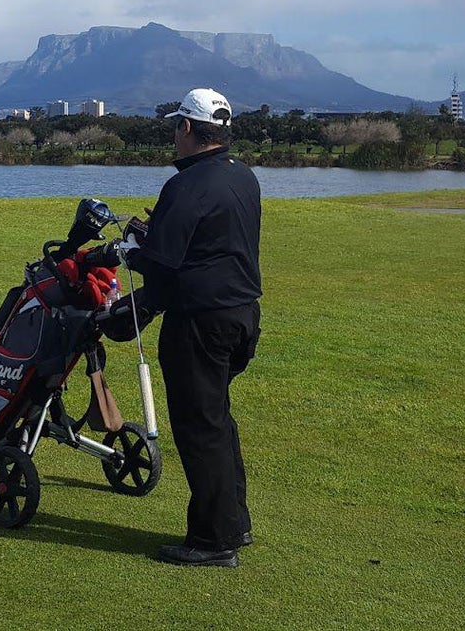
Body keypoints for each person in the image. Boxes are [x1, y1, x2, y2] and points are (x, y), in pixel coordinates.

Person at [107, 86, 262, 568]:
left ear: (189, 129)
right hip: (242, 315)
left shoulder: (186, 185)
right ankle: (234, 524)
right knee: (216, 419)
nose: (175, 135)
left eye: (177, 126)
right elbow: (203, 243)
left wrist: (131, 268)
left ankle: (215, 541)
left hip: (201, 320)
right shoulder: (243, 176)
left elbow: (164, 266)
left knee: (201, 428)